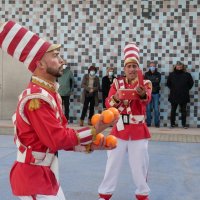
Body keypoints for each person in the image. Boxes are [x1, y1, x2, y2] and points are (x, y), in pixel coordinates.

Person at [0, 20, 117, 200]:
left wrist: (89, 145)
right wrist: (95, 130)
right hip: (33, 179)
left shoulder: (49, 93)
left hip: (44, 175)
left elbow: (60, 136)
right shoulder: (36, 98)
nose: (61, 60)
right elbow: (57, 139)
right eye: (55, 55)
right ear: (40, 64)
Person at [97, 42, 152, 200]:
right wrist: (116, 97)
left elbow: (146, 100)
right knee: (112, 164)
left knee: (140, 166)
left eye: (135, 66)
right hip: (119, 129)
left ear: (138, 68)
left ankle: (142, 194)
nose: (132, 69)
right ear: (125, 68)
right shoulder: (116, 83)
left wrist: (141, 94)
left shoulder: (146, 83)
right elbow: (108, 103)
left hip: (138, 130)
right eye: (129, 66)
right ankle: (104, 194)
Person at [167, 61, 194, 129]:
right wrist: (173, 89)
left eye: (180, 67)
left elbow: (191, 83)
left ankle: (184, 124)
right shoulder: (171, 74)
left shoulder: (187, 74)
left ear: (182, 67)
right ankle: (172, 124)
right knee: (173, 110)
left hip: (183, 95)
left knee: (183, 111)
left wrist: (185, 89)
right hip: (174, 95)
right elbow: (168, 84)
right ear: (175, 67)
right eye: (178, 66)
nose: (179, 68)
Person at [144, 61, 161, 127]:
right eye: (151, 66)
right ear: (149, 67)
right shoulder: (146, 74)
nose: (152, 67)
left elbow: (157, 82)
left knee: (156, 109)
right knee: (148, 109)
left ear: (155, 66)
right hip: (148, 93)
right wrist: (153, 81)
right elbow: (145, 83)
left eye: (153, 66)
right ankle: (148, 123)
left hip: (156, 93)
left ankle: (157, 123)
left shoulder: (158, 74)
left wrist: (150, 82)